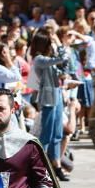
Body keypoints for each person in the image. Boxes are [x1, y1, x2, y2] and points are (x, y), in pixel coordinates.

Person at [30, 30, 70, 180]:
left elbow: (64, 66)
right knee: (46, 134)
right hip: (47, 98)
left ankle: (57, 166)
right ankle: (41, 168)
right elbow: (62, 58)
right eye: (49, 43)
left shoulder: (48, 59)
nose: (51, 45)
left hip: (57, 94)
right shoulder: (39, 59)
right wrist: (59, 44)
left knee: (57, 133)